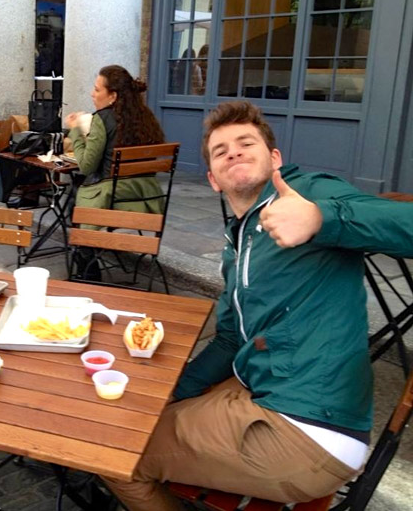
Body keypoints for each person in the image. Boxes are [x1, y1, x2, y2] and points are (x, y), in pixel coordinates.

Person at [103, 100, 413, 511]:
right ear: (213, 179)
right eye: (221, 150)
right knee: (133, 412)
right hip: (260, 393)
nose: (233, 151)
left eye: (245, 142)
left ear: (275, 158)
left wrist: (322, 218)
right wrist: (170, 392)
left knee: (110, 450)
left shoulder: (312, 193)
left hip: (308, 427)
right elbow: (230, 340)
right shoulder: (238, 244)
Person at [64, 65, 165, 213]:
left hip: (110, 198)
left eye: (97, 90)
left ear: (113, 96)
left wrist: (75, 131)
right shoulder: (145, 116)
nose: (92, 94)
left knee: (78, 190)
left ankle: (80, 232)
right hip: (146, 198)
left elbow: (86, 166)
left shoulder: (101, 119)